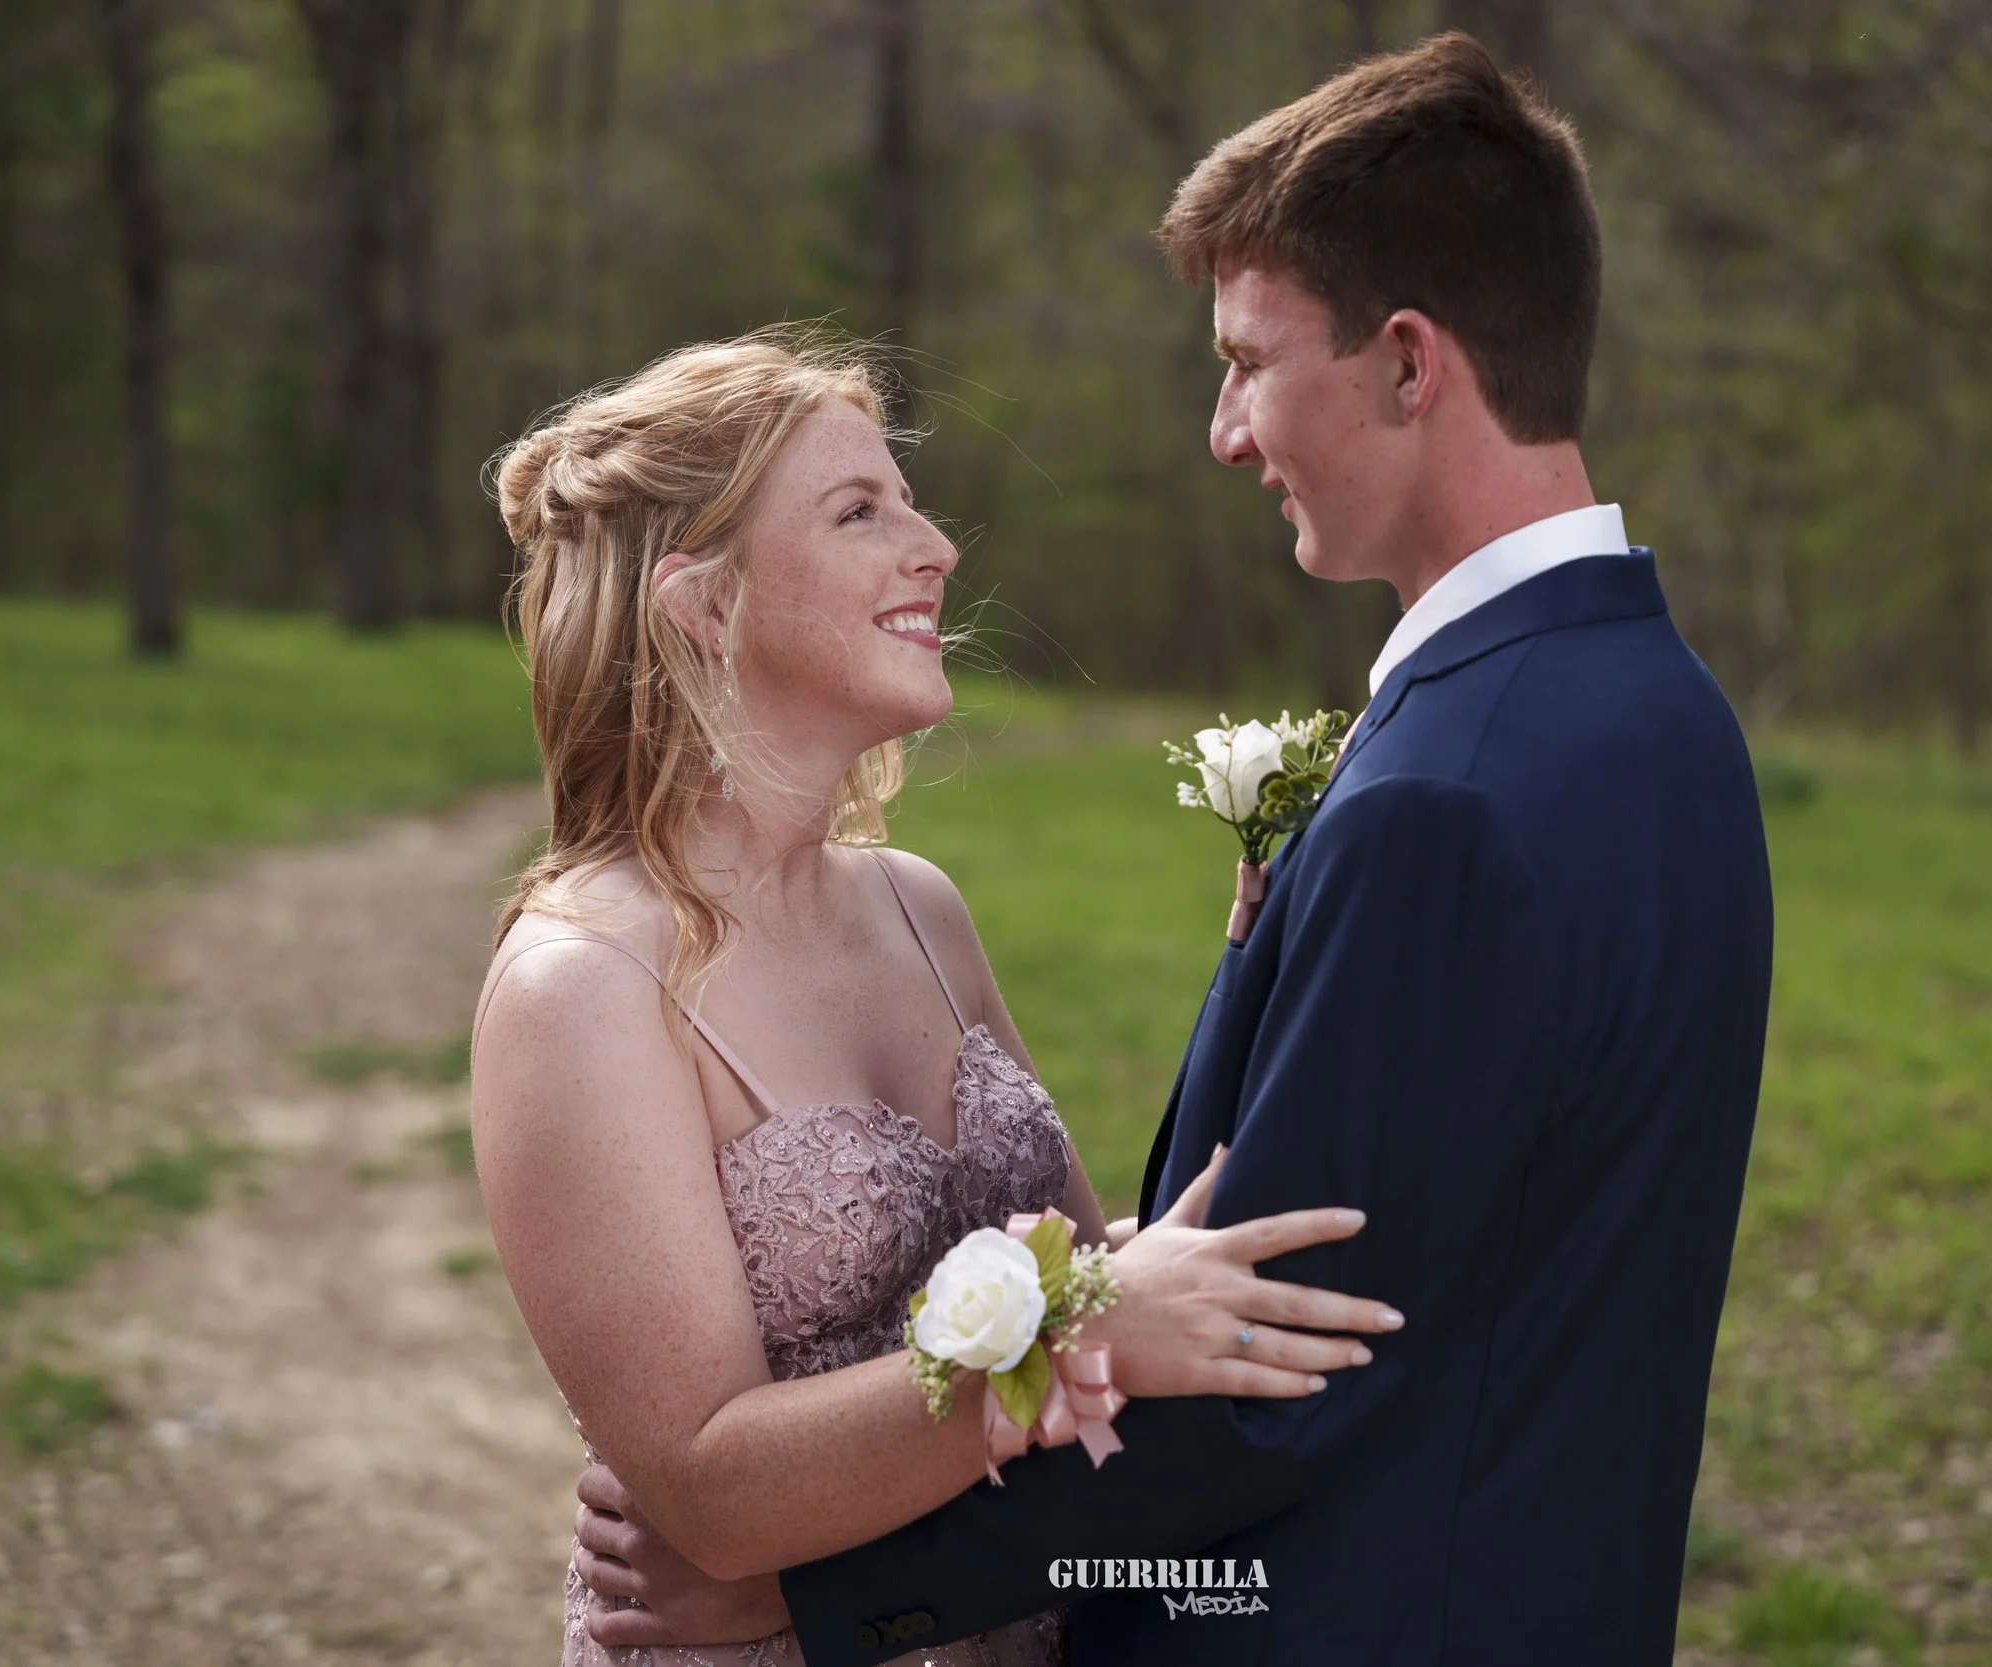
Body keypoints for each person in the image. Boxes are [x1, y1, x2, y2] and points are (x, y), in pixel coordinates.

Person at [570, 30, 1773, 1665]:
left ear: (1410, 366)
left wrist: (817, 1597)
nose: (1223, 431)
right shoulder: (1664, 715)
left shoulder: (1443, 799)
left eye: (1248, 362)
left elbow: (1271, 1396)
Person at [470, 331, 1405, 1667]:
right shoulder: (586, 986)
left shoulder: (922, 904)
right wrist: (1083, 1328)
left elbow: (1104, 1290)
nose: (938, 548)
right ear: (704, 606)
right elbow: (712, 1494)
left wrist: (1288, 972)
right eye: (862, 510)